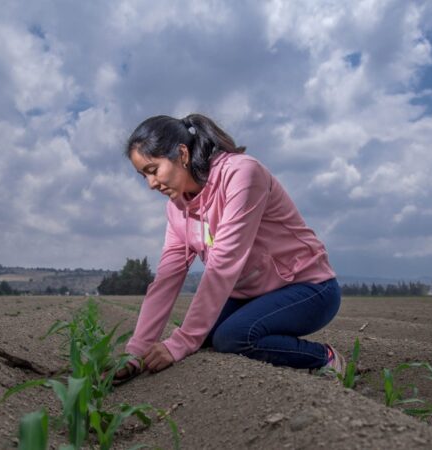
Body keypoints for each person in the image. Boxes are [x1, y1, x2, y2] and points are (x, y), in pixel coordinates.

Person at [115, 113, 343, 384]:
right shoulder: (176, 209)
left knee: (232, 337)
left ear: (182, 154)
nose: (151, 184)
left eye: (153, 170)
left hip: (308, 288)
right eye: (144, 177)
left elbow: (223, 264)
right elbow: (167, 279)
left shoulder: (242, 174)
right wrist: (136, 352)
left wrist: (182, 342)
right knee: (202, 335)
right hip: (250, 295)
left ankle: (324, 357)